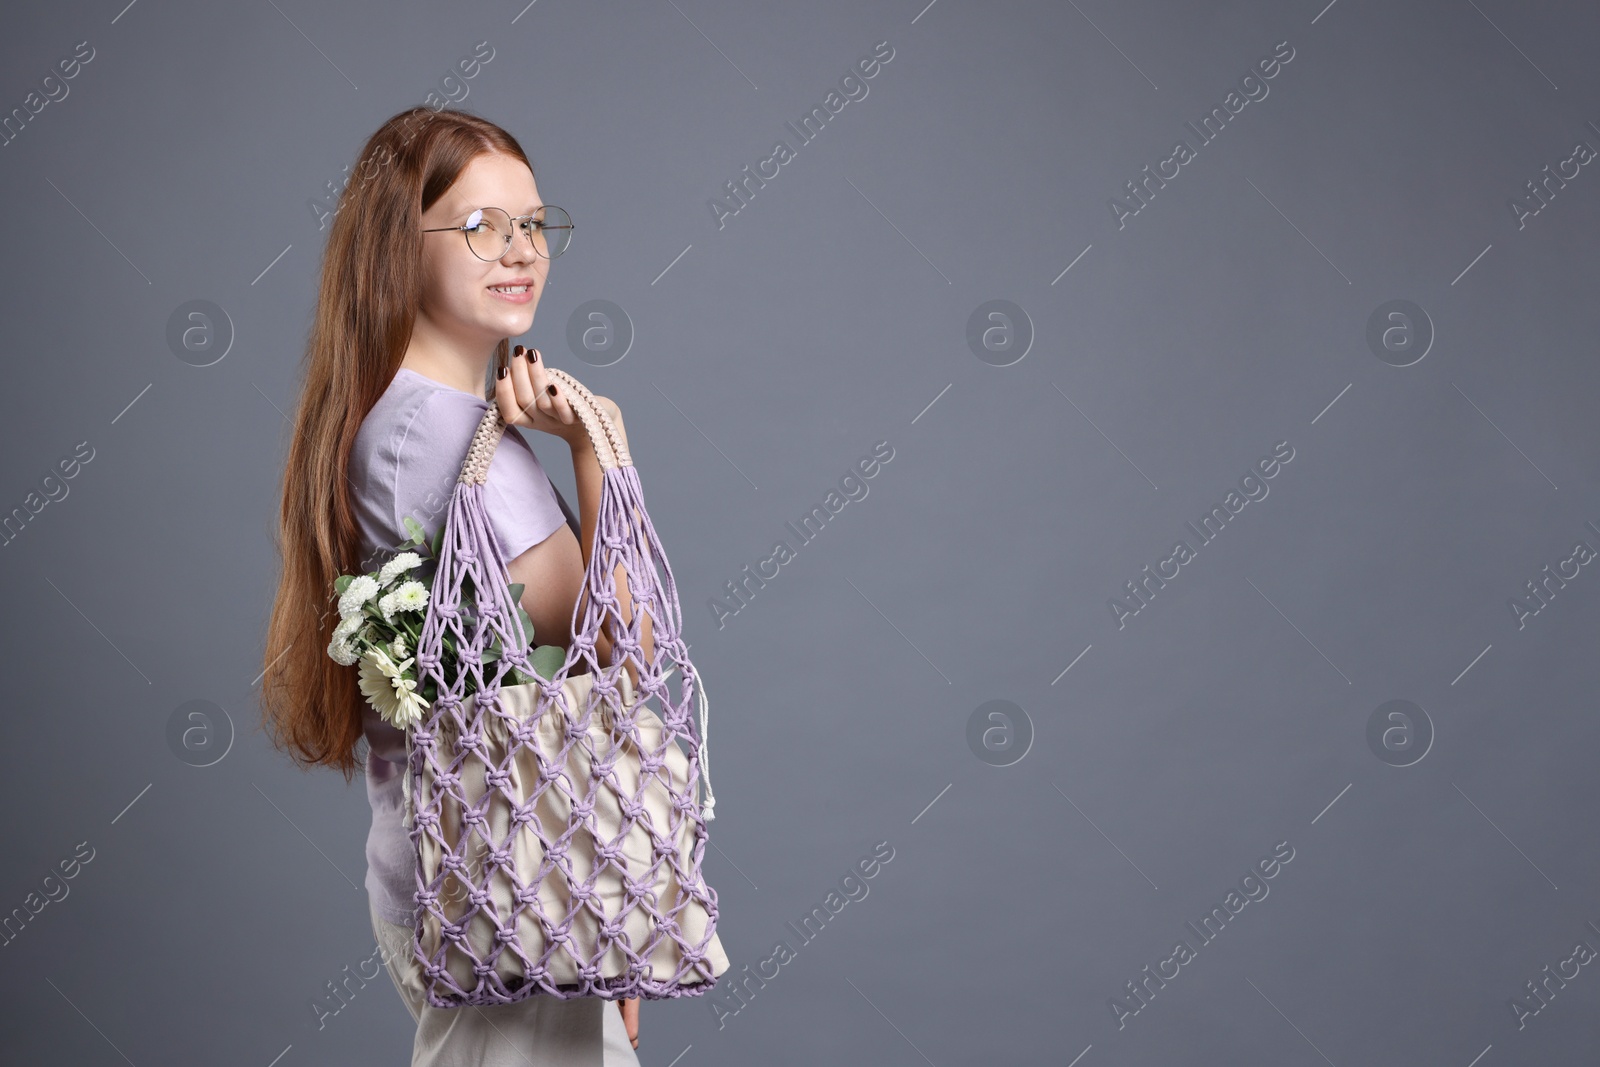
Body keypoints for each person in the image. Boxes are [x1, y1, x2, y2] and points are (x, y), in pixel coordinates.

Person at [261, 105, 647, 1066]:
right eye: (480, 226)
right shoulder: (444, 439)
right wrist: (601, 448)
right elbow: (619, 649)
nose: (520, 249)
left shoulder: (388, 414)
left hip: (462, 871)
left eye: (533, 223)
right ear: (402, 245)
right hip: (506, 892)